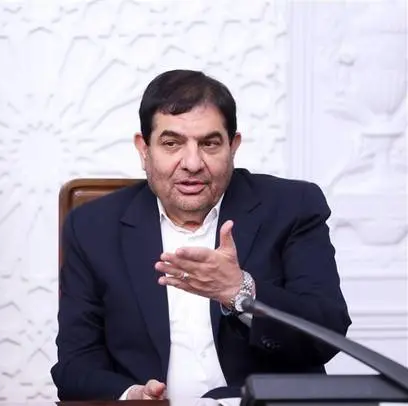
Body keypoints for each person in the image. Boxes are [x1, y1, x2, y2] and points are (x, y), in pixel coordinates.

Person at [51, 69, 351, 402]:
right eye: (171, 143)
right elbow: (74, 366)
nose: (192, 163)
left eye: (209, 143)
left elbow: (327, 333)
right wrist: (130, 396)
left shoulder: (292, 207)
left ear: (233, 146)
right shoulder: (93, 227)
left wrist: (240, 290)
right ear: (144, 149)